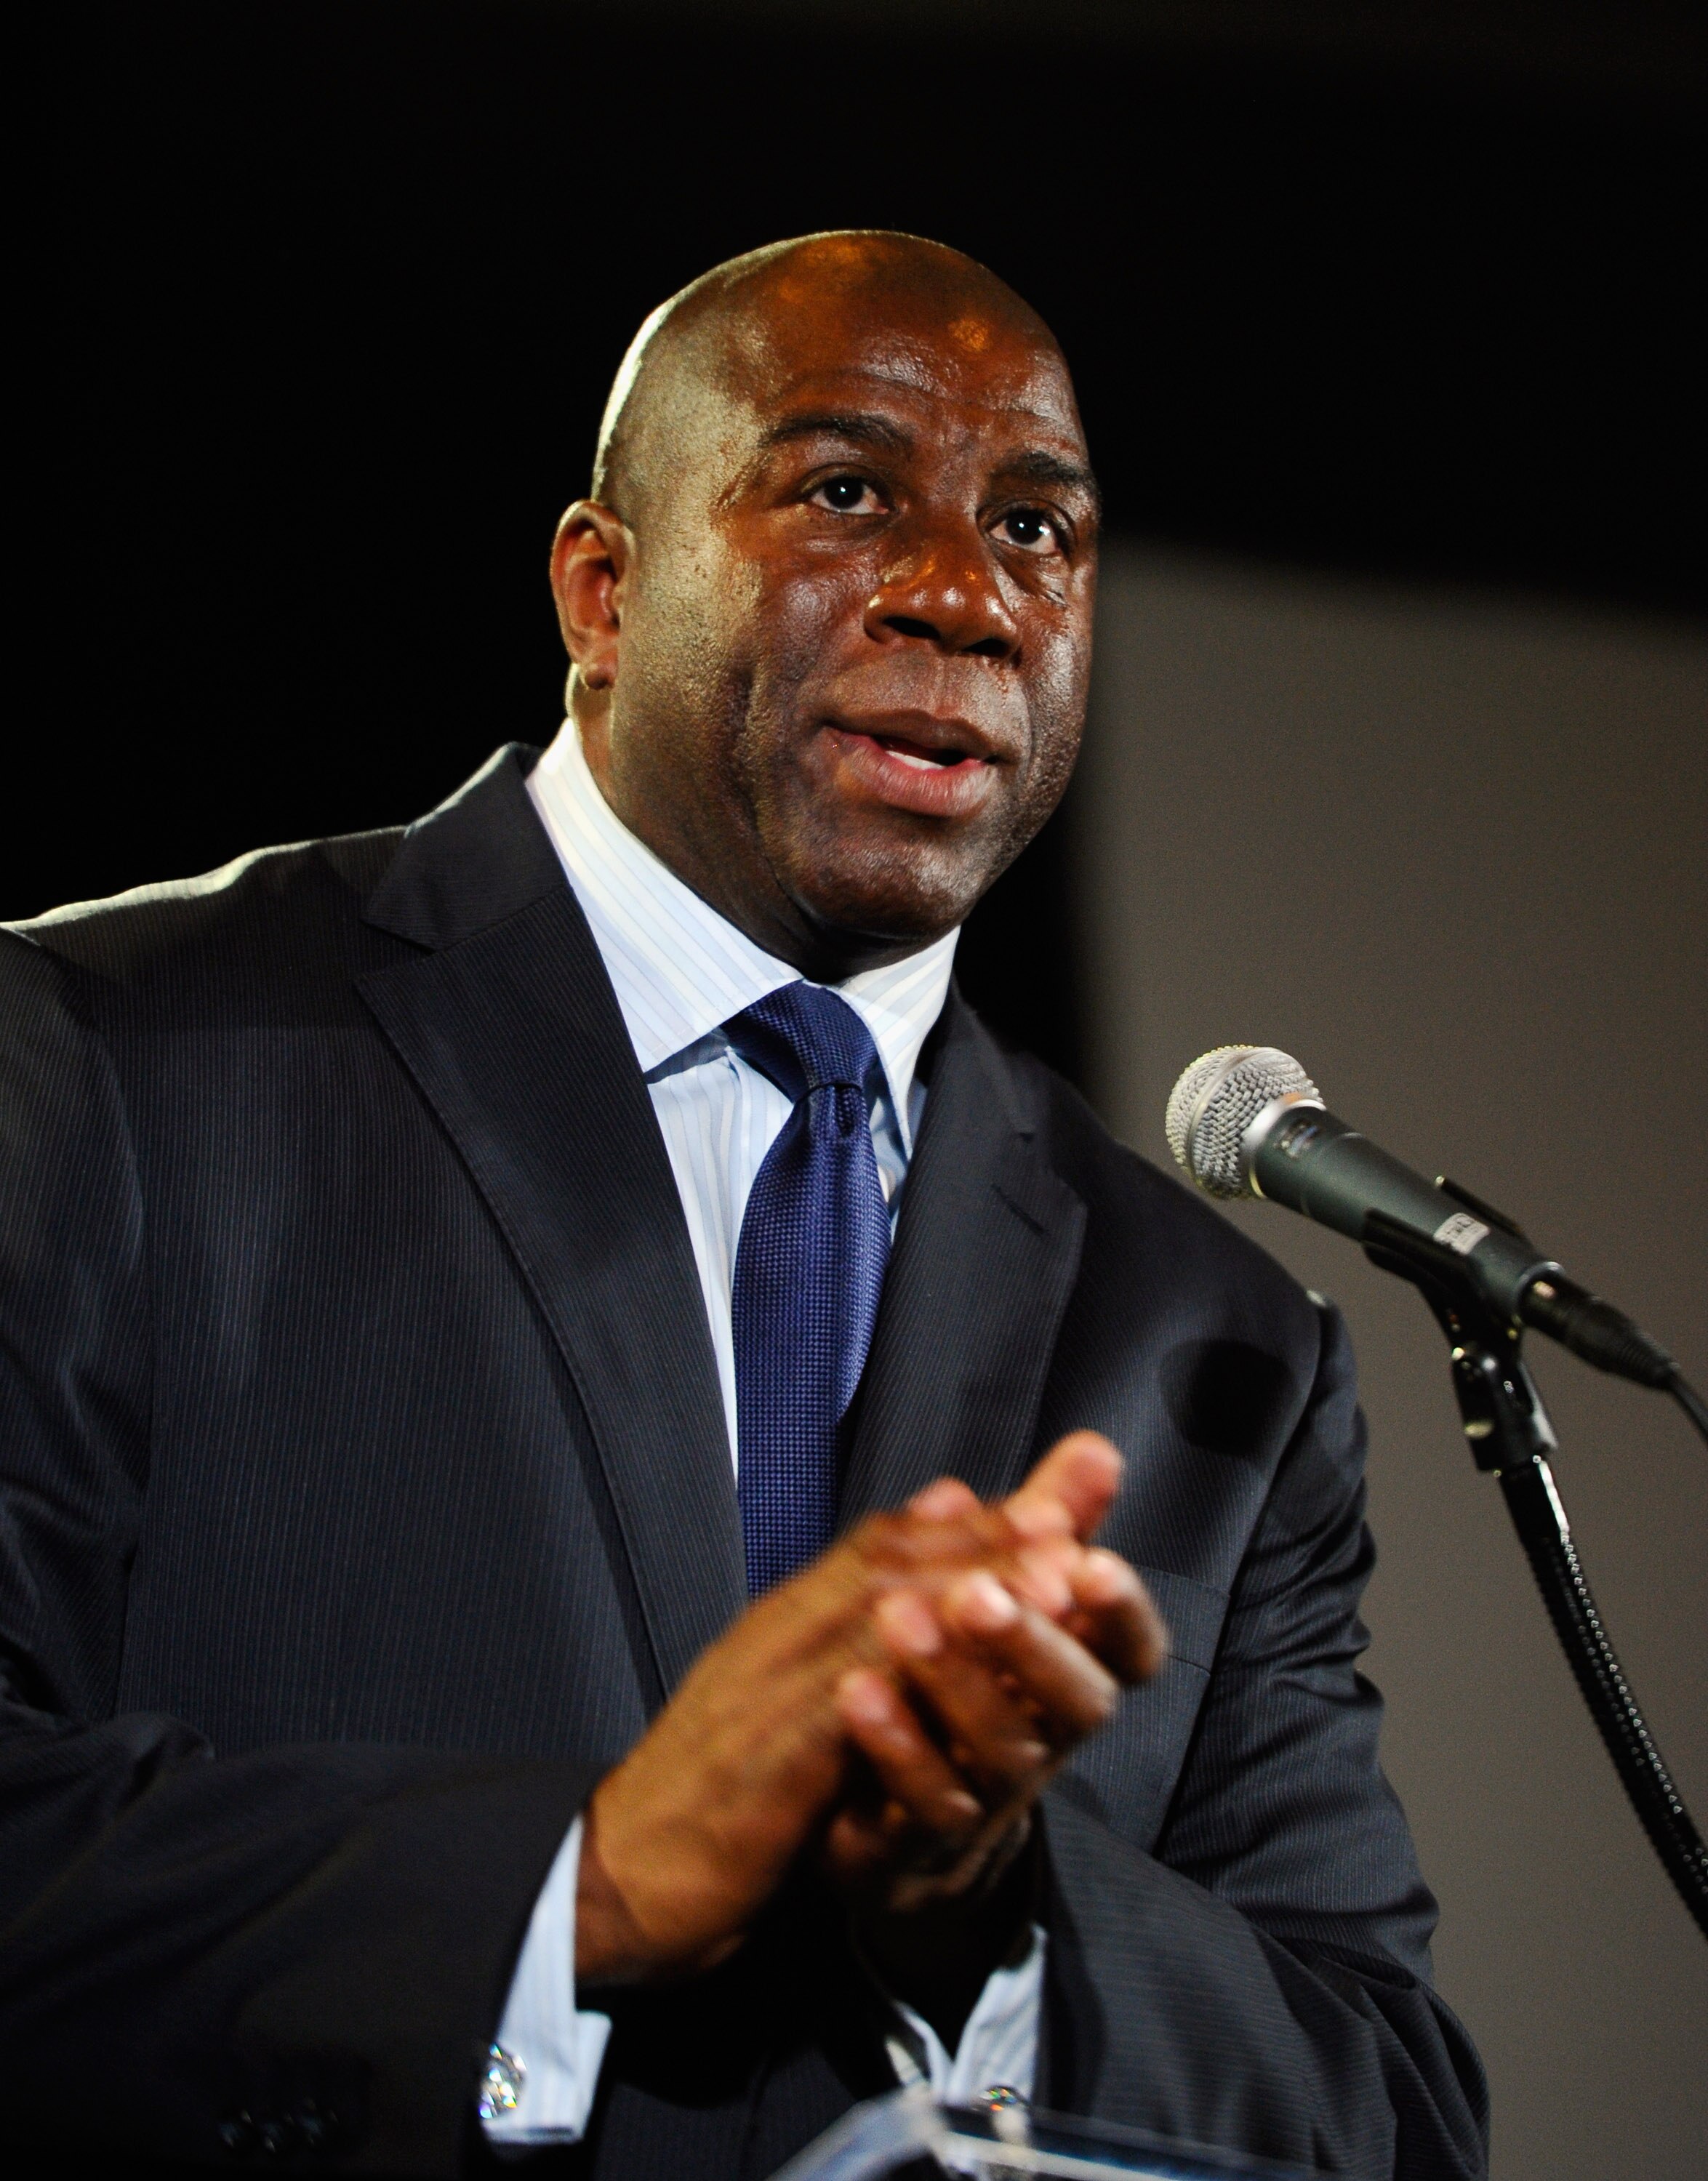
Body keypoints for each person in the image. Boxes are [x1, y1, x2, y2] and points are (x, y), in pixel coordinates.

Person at [0, 232, 1487, 2178]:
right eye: (849, 491)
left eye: (1039, 529)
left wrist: (986, 1927)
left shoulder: (1214, 1346)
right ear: (602, 591)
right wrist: (579, 1887)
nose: (966, 593)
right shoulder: (107, 1058)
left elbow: (1380, 2108)